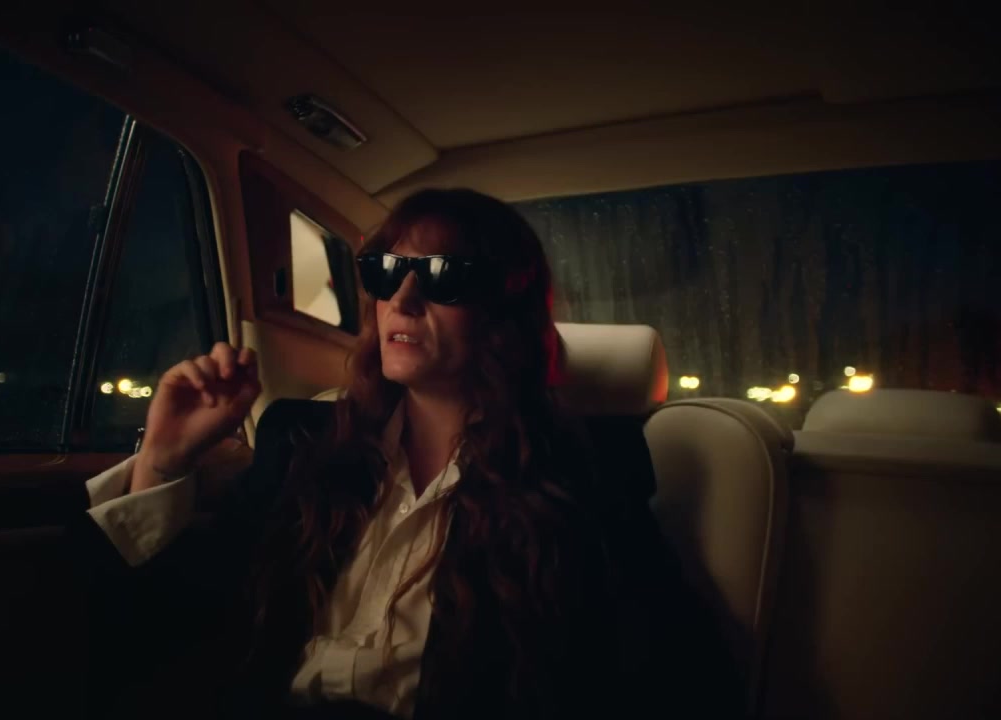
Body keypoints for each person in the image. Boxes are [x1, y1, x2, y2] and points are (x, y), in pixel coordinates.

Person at [76, 189, 741, 718]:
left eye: (444, 275)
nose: (403, 297)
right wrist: (163, 460)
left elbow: (671, 673)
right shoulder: (301, 441)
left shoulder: (584, 468)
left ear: (504, 309)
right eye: (386, 271)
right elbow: (172, 628)